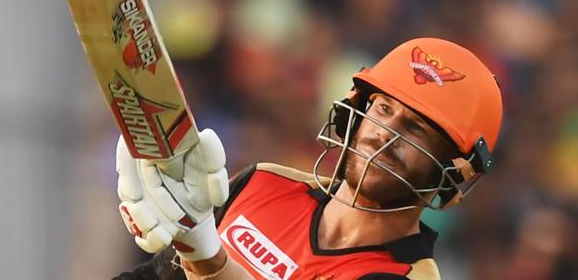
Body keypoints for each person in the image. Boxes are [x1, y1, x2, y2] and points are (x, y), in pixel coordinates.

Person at [112, 37, 503, 280]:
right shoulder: (263, 182)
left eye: (417, 128)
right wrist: (181, 243)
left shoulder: (406, 276)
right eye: (383, 109)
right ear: (355, 109)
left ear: (453, 173)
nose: (385, 132)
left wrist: (206, 255)